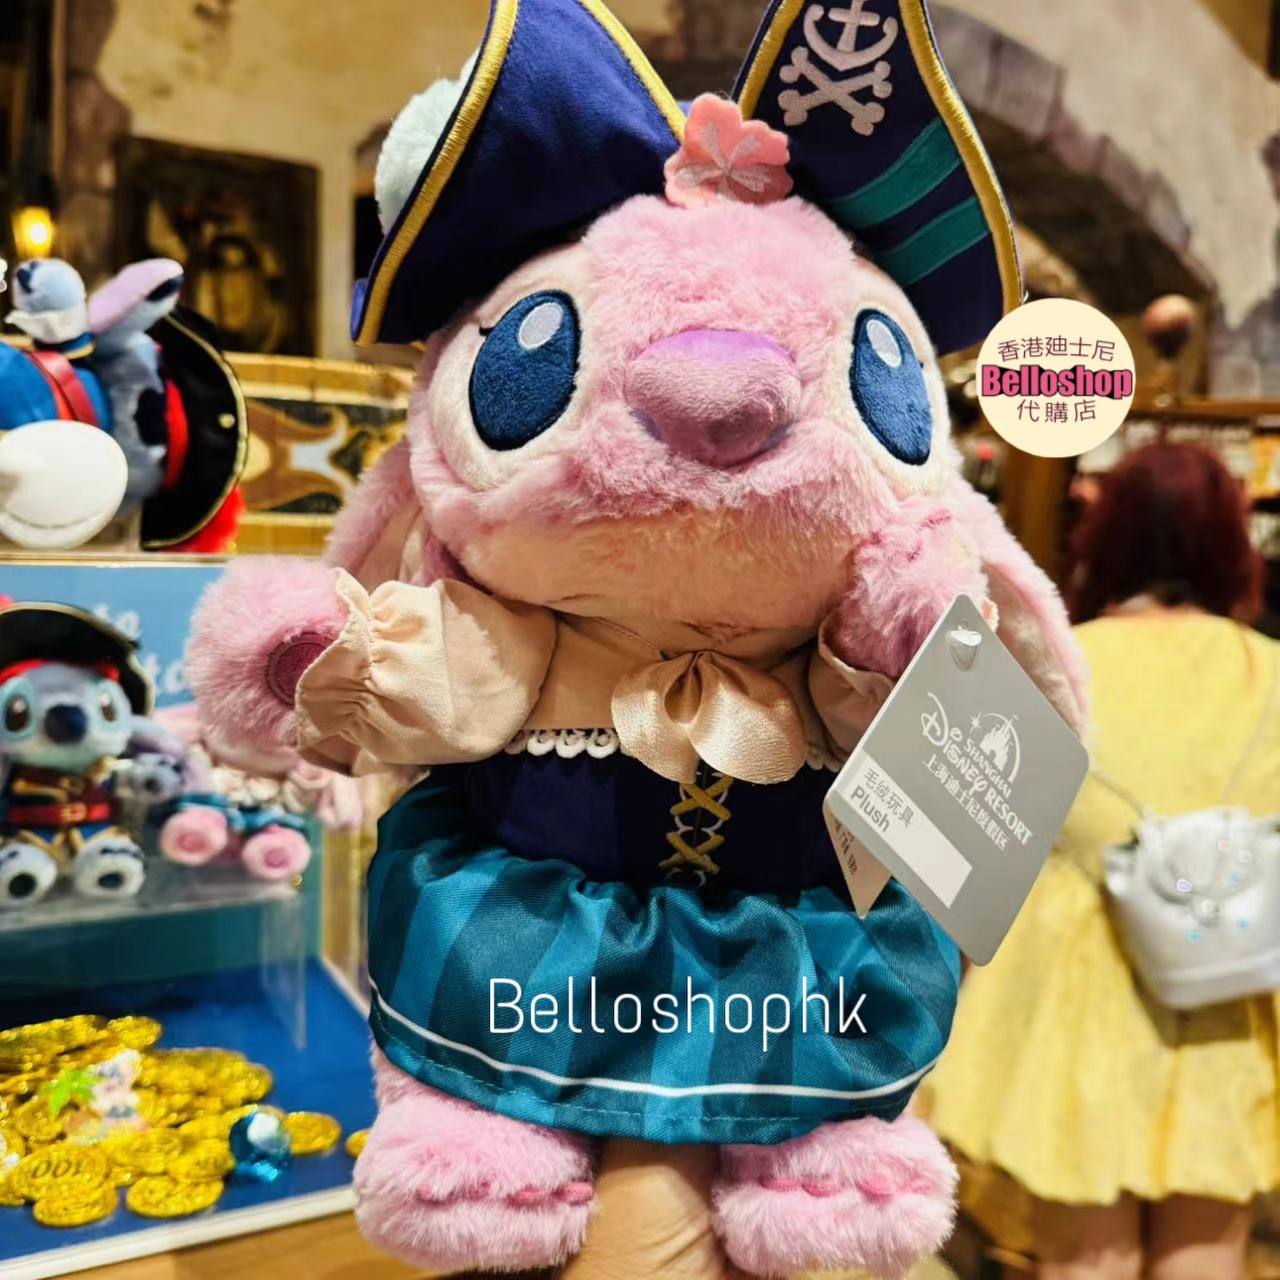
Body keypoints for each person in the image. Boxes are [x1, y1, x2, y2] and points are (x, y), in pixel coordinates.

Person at [920, 443, 1278, 1279]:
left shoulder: (1052, 664)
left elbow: (965, 853)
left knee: (1086, 1256)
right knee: (1208, 1250)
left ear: (1104, 538)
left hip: (1071, 993)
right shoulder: (1267, 671)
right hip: (1229, 985)